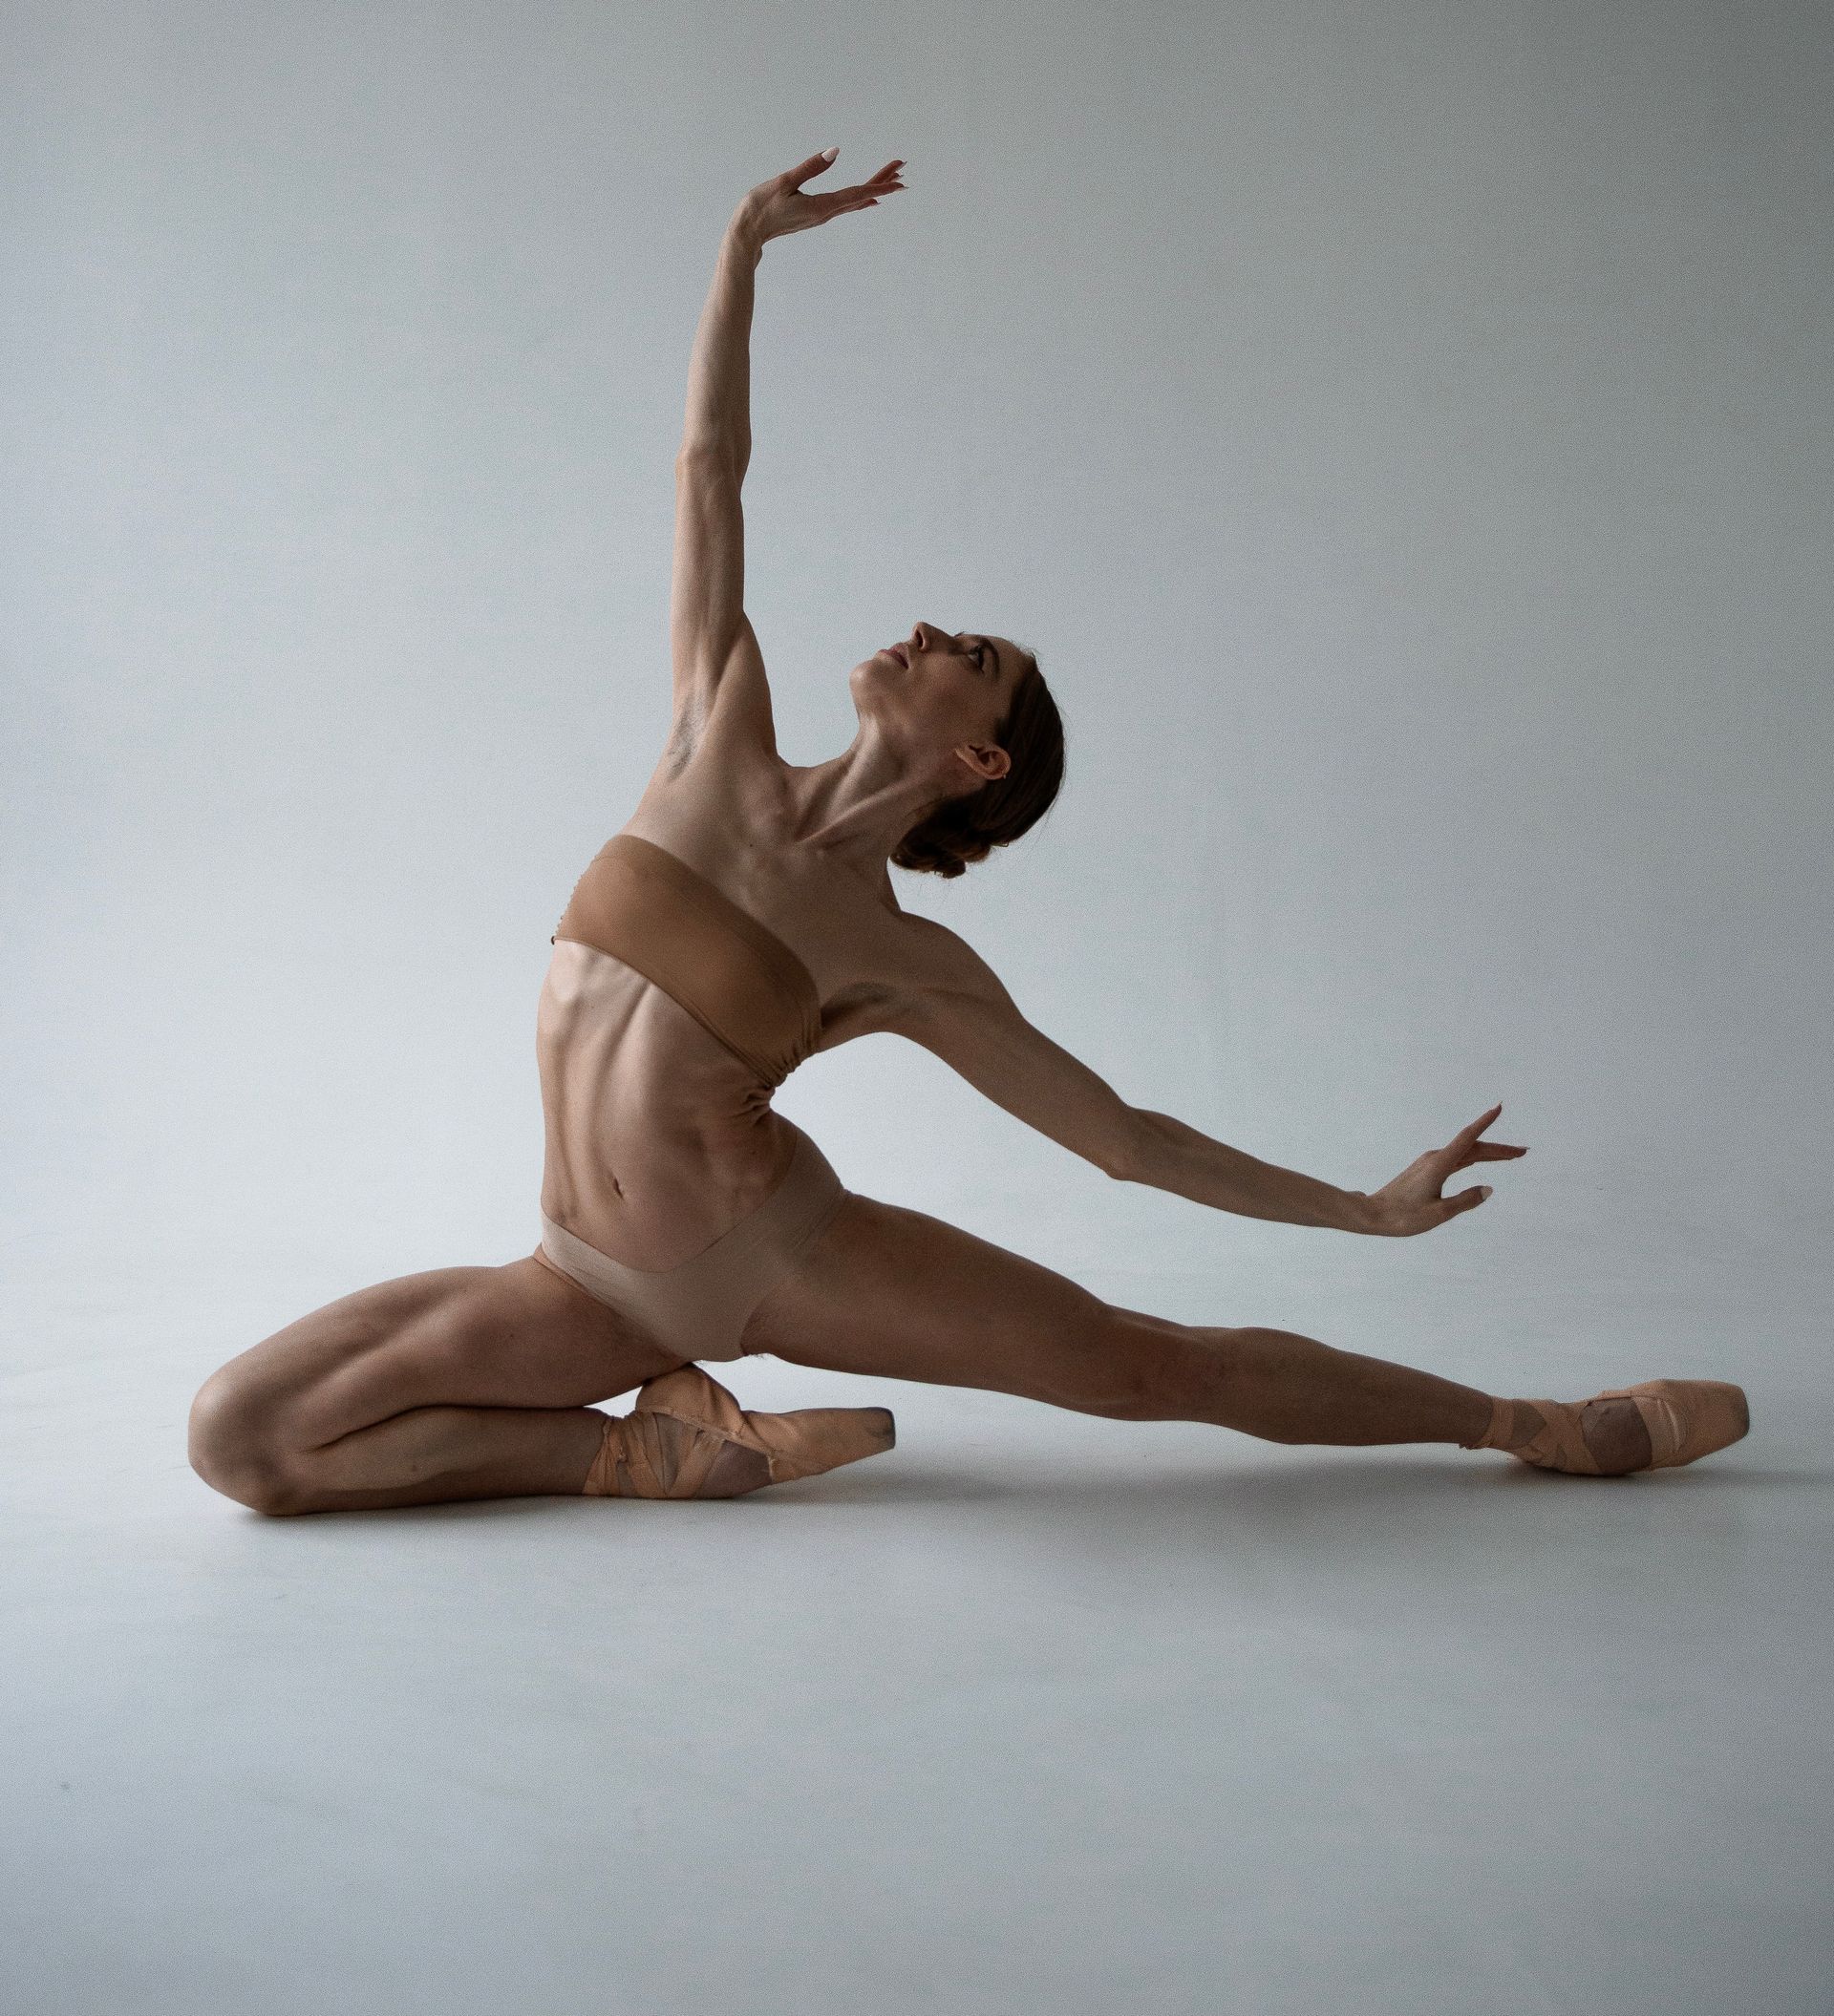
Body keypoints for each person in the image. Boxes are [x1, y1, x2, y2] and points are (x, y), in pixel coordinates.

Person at [187, 148, 1747, 1514]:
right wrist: (741, 248)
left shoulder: (900, 955)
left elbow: (1124, 1142)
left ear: (976, 753)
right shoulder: (708, 731)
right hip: (579, 1280)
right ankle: (644, 1455)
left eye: (970, 654)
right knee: (243, 1442)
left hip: (770, 1256)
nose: (931, 627)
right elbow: (707, 470)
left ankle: (1539, 1427)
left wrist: (1363, 1207)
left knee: (1143, 1369)